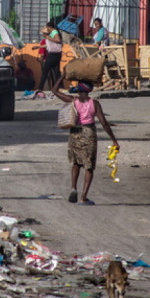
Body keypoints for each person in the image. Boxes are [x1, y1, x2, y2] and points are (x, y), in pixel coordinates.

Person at [50, 74, 118, 206]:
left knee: (76, 163)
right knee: (89, 166)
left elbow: (54, 90)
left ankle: (73, 188)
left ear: (79, 89)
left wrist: (62, 76)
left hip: (75, 133)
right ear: (89, 90)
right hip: (89, 133)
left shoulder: (72, 100)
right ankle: (83, 197)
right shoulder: (95, 103)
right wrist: (114, 140)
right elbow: (104, 123)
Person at [36, 21, 63, 91]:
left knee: (45, 71)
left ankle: (40, 88)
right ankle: (60, 87)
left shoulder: (54, 32)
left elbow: (57, 39)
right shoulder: (53, 33)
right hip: (57, 54)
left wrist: (48, 37)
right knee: (56, 72)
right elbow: (51, 45)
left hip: (52, 55)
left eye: (47, 27)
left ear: (49, 27)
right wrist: (39, 47)